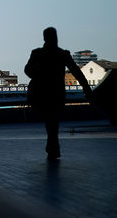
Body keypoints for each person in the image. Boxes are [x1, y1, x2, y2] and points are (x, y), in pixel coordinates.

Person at [24, 27, 92, 160]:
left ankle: (52, 147)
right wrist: (86, 87)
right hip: (57, 93)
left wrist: (38, 76)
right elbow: (76, 72)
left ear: (44, 38)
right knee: (53, 121)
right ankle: (53, 147)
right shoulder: (63, 54)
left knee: (50, 122)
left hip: (42, 93)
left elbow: (27, 70)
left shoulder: (37, 53)